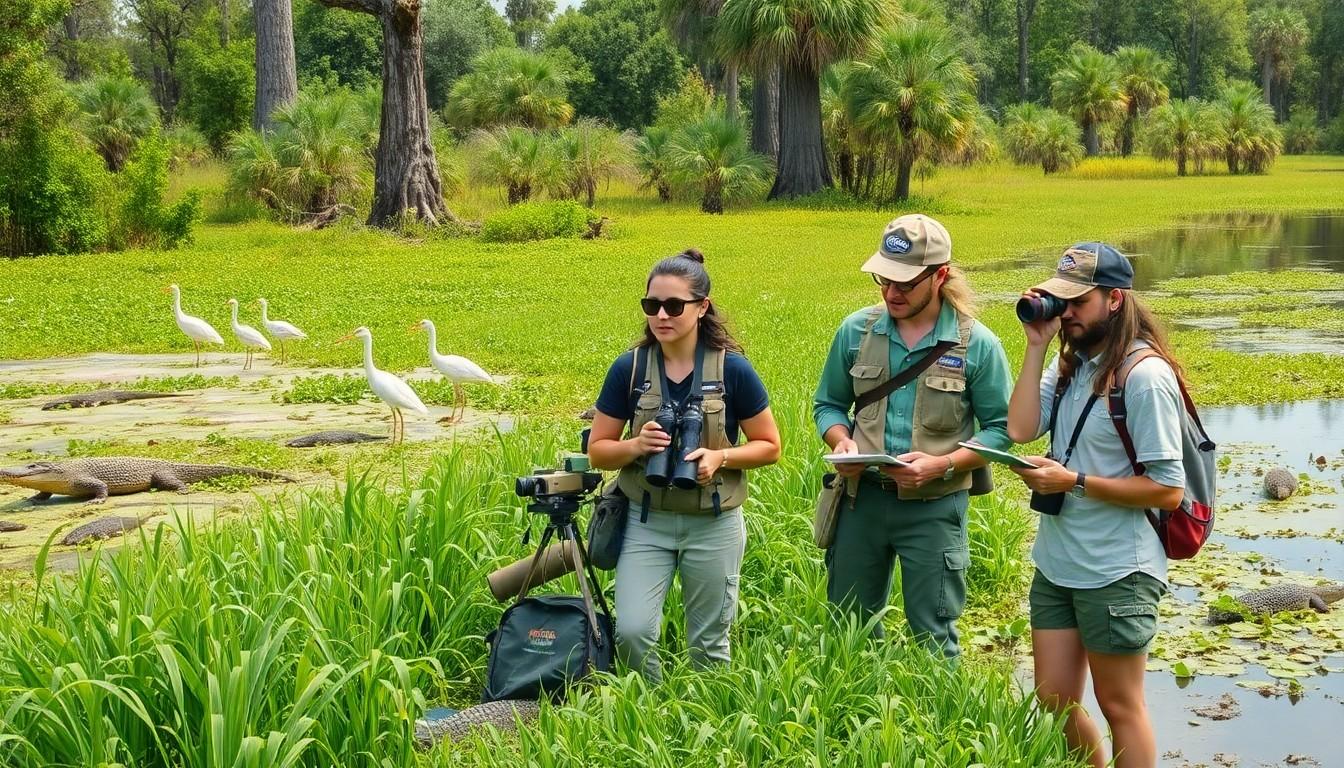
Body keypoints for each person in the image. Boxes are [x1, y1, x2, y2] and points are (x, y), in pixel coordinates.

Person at [1006, 243, 1186, 768]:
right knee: (1054, 700)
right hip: (1059, 562)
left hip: (1117, 568)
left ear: (1115, 299)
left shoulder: (1145, 376)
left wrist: (1074, 480)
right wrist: (1036, 344)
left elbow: (1168, 489)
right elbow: (1019, 429)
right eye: (1060, 301)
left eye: (1078, 302)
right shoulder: (1072, 364)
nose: (1066, 314)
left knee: (1120, 705)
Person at [813, 214, 1012, 659]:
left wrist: (942, 465)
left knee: (934, 634)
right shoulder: (856, 332)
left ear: (940, 276)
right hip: (860, 500)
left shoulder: (976, 345)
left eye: (904, 283)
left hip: (935, 507)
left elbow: (1002, 431)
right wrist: (841, 441)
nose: (890, 292)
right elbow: (827, 404)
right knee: (850, 630)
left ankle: (937, 725)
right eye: (884, 279)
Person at [586, 248, 781, 682]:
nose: (661, 315)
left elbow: (769, 446)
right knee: (633, 633)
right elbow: (599, 450)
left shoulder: (733, 370)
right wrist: (637, 445)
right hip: (645, 519)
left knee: (709, 642)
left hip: (713, 521)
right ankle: (650, 713)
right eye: (651, 305)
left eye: (674, 306)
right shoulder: (630, 369)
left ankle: (706, 724)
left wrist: (720, 456)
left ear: (701, 307)